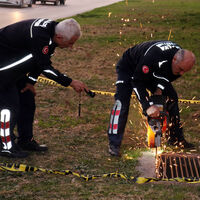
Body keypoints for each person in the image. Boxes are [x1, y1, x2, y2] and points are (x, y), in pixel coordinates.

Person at [0, 18, 88, 158]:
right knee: (9, 107)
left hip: (15, 70)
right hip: (3, 70)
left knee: (27, 100)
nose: (71, 47)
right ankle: (5, 146)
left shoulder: (52, 33)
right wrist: (70, 82)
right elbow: (46, 68)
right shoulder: (40, 36)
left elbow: (40, 60)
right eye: (70, 43)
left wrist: (30, 82)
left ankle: (26, 140)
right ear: (59, 37)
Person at [107, 40, 196, 156]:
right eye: (180, 69)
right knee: (122, 101)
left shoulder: (178, 60)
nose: (182, 73)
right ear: (174, 60)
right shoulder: (153, 56)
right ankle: (114, 144)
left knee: (171, 97)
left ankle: (175, 139)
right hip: (129, 68)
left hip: (151, 71)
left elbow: (166, 77)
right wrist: (147, 106)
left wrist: (158, 91)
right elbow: (137, 81)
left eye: (185, 71)